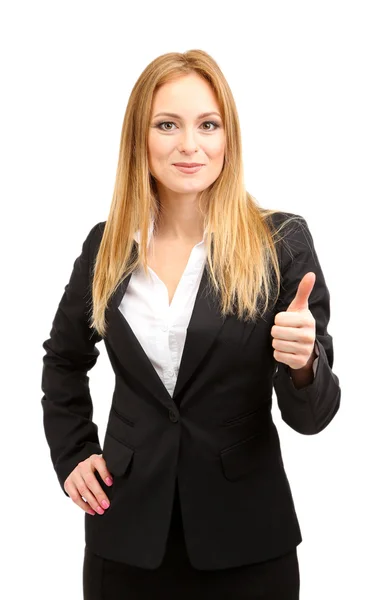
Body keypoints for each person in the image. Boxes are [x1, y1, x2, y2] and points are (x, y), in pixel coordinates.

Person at [41, 49, 341, 599]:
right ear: (141, 138)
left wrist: (303, 365)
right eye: (167, 125)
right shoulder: (105, 247)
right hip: (126, 538)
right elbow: (63, 360)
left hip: (247, 543)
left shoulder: (281, 244)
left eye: (208, 124)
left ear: (228, 137)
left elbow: (312, 417)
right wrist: (73, 452)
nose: (189, 145)